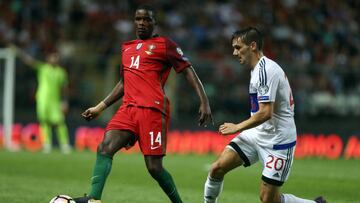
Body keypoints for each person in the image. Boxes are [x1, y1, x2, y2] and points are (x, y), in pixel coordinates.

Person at [74, 4, 212, 203]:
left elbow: (188, 70)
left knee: (154, 168)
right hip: (127, 109)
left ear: (154, 23)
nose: (141, 23)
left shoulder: (165, 45)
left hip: (152, 111)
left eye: (146, 19)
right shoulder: (126, 48)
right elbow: (124, 82)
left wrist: (204, 101)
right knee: (105, 147)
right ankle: (94, 199)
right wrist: (100, 106)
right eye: (138, 19)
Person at [203, 27, 326, 203]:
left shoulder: (266, 70)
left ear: (252, 46)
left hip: (278, 141)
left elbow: (265, 113)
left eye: (238, 47)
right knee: (217, 168)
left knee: (268, 199)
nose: (234, 52)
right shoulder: (257, 69)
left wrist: (236, 127)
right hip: (257, 133)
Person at [13, 46, 71, 154]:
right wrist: (18, 51)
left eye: (56, 56)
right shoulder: (43, 68)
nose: (54, 58)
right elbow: (29, 61)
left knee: (60, 122)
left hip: (55, 101)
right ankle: (46, 144)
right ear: (48, 58)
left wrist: (65, 101)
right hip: (43, 100)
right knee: (44, 122)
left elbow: (64, 89)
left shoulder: (61, 72)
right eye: (52, 56)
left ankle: (64, 144)